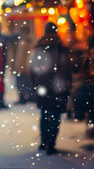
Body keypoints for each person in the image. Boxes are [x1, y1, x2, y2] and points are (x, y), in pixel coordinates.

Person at [30, 22, 71, 155]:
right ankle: (51, 143)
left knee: (44, 114)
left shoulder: (39, 47)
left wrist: (34, 86)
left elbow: (32, 70)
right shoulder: (60, 48)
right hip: (57, 87)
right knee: (55, 115)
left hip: (42, 86)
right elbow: (66, 70)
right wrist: (67, 88)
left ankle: (44, 142)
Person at [13, 27, 35, 104]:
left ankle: (23, 97)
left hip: (21, 67)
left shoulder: (23, 42)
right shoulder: (29, 41)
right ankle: (28, 97)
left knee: (21, 83)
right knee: (26, 83)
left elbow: (21, 57)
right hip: (25, 67)